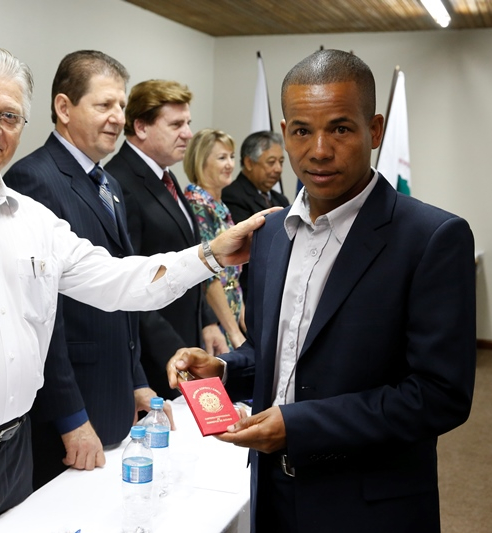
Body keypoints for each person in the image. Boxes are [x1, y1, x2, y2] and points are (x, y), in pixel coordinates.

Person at [0, 46, 269, 533]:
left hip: (14, 457)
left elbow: (118, 282)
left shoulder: (32, 220)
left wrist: (209, 255)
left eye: (10, 116)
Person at [167, 49, 476, 532]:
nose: (319, 150)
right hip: (271, 494)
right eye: (301, 131)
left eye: (340, 129)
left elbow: (440, 395)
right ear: (284, 132)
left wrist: (299, 426)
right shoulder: (269, 232)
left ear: (374, 130)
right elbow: (281, 354)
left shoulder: (431, 238)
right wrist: (225, 369)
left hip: (366, 507)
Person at [3, 50, 172, 490]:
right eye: (104, 105)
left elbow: (120, 286)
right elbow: (44, 316)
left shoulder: (107, 183)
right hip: (68, 412)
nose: (118, 117)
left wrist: (137, 381)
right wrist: (71, 418)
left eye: (121, 105)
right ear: (64, 107)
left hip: (113, 395)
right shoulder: (34, 179)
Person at [106, 79, 227, 400]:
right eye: (176, 125)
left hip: (186, 343)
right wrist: (176, 353)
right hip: (154, 360)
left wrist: (207, 321)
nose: (188, 133)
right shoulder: (120, 183)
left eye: (187, 123)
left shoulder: (166, 175)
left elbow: (188, 256)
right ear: (141, 127)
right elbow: (131, 286)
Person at [182, 128, 245, 349]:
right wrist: (234, 332)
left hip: (230, 310)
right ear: (201, 162)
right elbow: (208, 275)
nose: (230, 164)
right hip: (214, 321)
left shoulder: (218, 204)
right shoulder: (198, 205)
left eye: (231, 156)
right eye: (221, 158)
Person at [222, 131, 290, 300]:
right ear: (249, 163)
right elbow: (251, 243)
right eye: (271, 162)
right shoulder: (232, 195)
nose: (278, 169)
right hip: (247, 291)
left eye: (281, 162)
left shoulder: (280, 199)